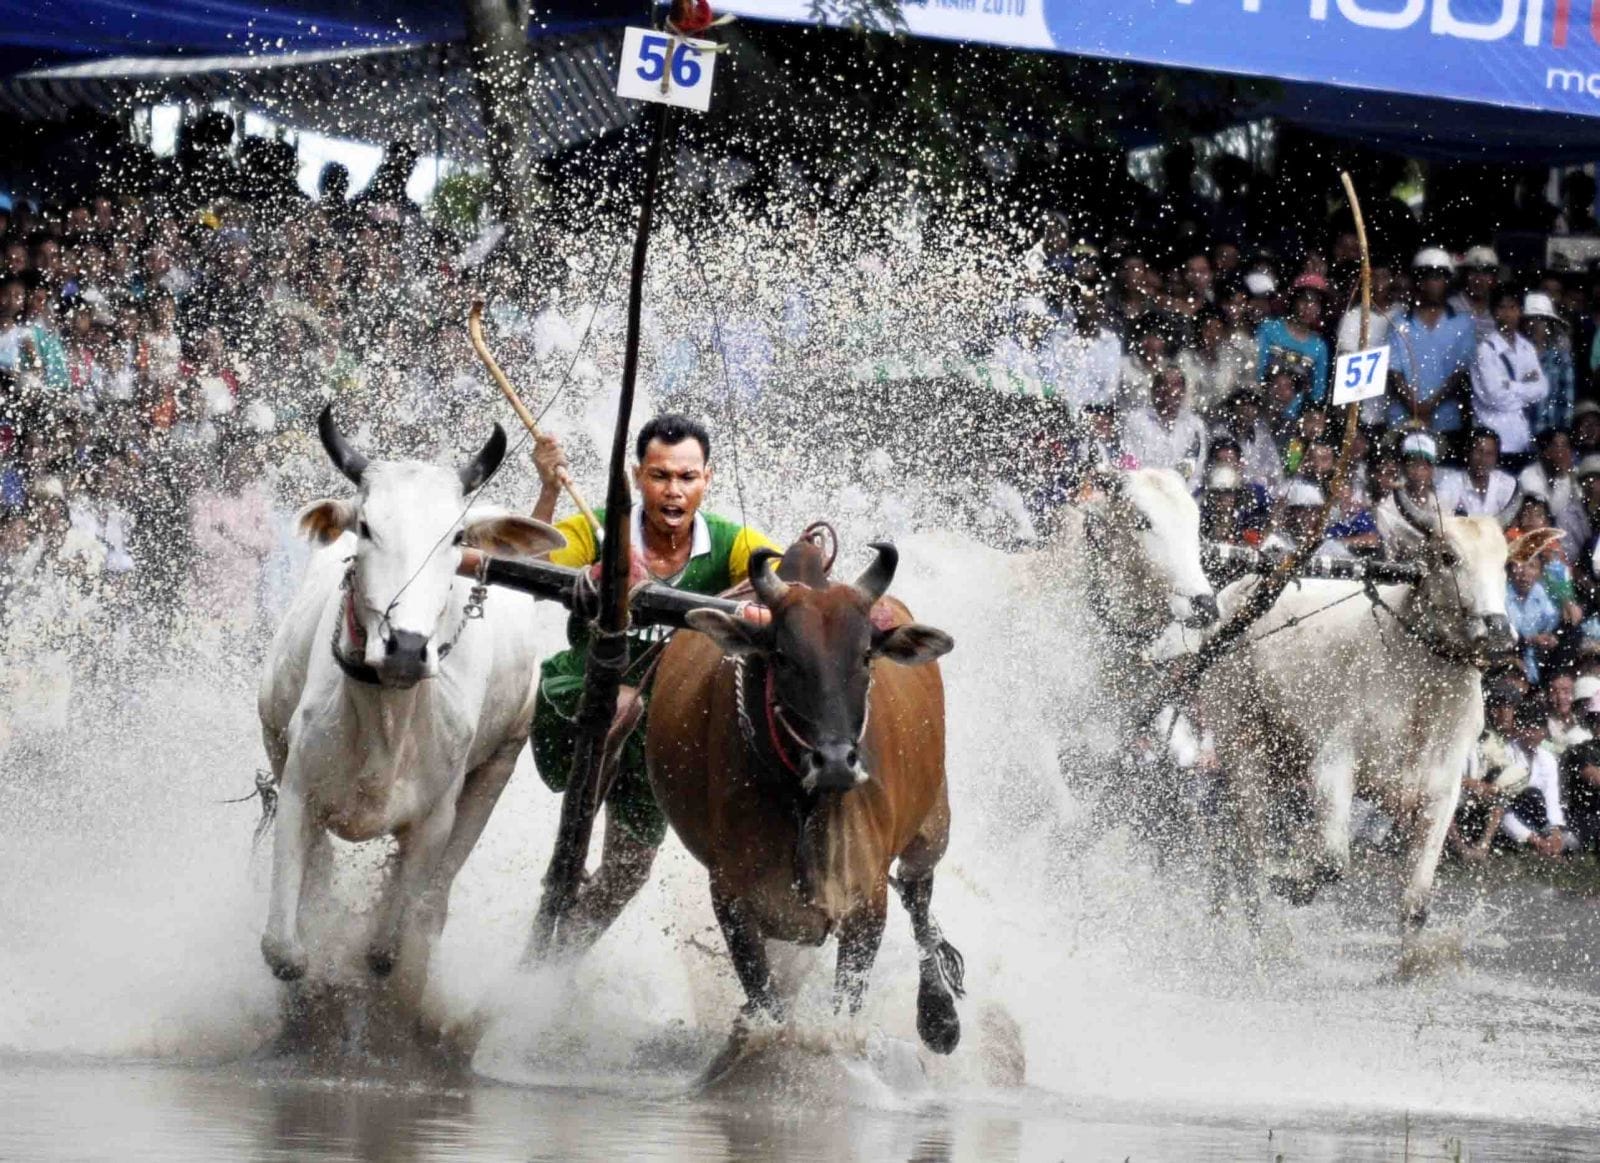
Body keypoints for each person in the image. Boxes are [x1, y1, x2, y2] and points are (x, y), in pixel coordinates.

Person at [528, 414, 780, 954]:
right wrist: (549, 490)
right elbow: (523, 565)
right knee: (622, 705)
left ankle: (554, 967)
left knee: (628, 872)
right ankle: (567, 853)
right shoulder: (596, 529)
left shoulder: (737, 545)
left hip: (672, 731)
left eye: (687, 478)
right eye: (660, 476)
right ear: (638, 476)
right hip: (589, 694)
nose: (673, 491)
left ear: (706, 480)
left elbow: (789, 587)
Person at [1387, 248, 1476, 454]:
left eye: (1439, 278)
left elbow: (1460, 372)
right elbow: (1394, 372)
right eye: (1428, 278)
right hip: (1403, 419)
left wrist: (1430, 405)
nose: (1433, 284)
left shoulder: (1464, 323)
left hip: (1447, 420)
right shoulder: (1399, 322)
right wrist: (1415, 406)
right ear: (1418, 282)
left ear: (1447, 282)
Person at [1468, 287, 1547, 466]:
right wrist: (1525, 388)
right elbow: (1495, 397)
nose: (1508, 314)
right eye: (1502, 308)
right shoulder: (1485, 350)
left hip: (1521, 438)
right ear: (1494, 312)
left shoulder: (1526, 347)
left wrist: (1510, 385)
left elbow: (1542, 389)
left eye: (1513, 307)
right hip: (1493, 440)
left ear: (1520, 311)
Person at [1500, 700, 1567, 858]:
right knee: (1530, 795)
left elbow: (1552, 800)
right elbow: (1502, 810)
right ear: (1517, 728)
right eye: (1527, 727)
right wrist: (1533, 839)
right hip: (1507, 818)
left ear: (1544, 732)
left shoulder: (1547, 758)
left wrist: (1555, 833)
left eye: (1537, 728)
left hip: (1536, 817)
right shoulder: (1506, 754)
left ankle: (1548, 846)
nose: (1532, 733)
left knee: (1538, 798)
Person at [1122, 364, 1208, 482]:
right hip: (1146, 490)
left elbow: (1195, 471)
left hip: (1180, 492)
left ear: (1183, 392)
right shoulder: (1137, 420)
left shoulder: (1194, 426)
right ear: (1154, 391)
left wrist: (1178, 493)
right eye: (1164, 385)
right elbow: (1131, 464)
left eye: (1176, 385)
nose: (1171, 391)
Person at [1255, 281, 1329, 408]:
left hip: (1295, 416)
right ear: (1294, 301)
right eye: (1304, 300)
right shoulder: (1269, 328)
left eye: (1315, 303)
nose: (1308, 307)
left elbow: (1318, 392)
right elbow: (1257, 370)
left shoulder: (1319, 346)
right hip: (1263, 405)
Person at [1524, 291, 1575, 438]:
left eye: (1541, 320)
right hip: (1517, 433)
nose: (1535, 325)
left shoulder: (1561, 358)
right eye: (1530, 320)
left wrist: (1562, 434)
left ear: (1550, 325)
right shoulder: (1513, 354)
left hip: (1548, 434)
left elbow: (1566, 401)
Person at [1436, 428, 1518, 520]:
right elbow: (1442, 521)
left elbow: (1512, 520)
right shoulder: (1450, 484)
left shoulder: (1507, 483)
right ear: (1468, 453)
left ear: (1496, 458)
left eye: (1489, 454)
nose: (1483, 459)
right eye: (1479, 452)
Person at [1449, 245, 1500, 340]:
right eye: (1474, 272)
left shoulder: (1497, 309)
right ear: (1465, 276)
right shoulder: (1451, 308)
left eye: (1485, 273)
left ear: (1493, 278)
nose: (1479, 279)